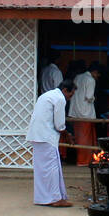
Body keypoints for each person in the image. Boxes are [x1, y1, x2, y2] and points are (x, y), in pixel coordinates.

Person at [27, 79, 75, 207]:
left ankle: (43, 198)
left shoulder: (47, 95)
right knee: (52, 168)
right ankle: (55, 198)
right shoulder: (59, 99)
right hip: (46, 136)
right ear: (65, 90)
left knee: (42, 169)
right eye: (70, 95)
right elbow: (59, 124)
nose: (70, 98)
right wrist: (68, 135)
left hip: (37, 135)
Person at [67, 61, 100, 166]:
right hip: (85, 113)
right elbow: (89, 97)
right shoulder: (90, 80)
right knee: (85, 138)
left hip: (75, 111)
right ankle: (84, 161)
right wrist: (94, 98)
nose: (98, 77)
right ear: (94, 72)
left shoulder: (78, 77)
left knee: (78, 137)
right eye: (98, 74)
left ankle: (82, 159)